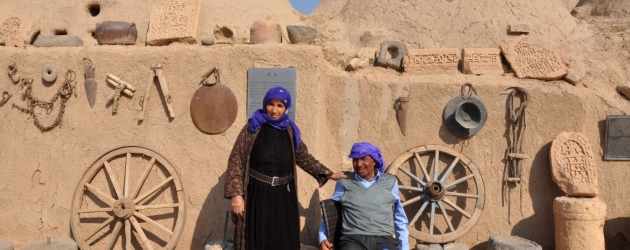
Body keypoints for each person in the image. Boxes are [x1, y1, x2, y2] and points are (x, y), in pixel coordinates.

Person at [225, 86, 346, 250]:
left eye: (280, 105)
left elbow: (303, 157)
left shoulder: (290, 131)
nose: (274, 110)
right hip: (256, 194)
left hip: (283, 196)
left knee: (282, 241)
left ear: (286, 107)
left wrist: (329, 173)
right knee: (256, 240)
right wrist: (236, 194)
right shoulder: (252, 128)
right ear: (265, 104)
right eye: (271, 104)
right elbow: (236, 159)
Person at [319, 142, 409, 250]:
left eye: (364, 159)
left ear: (374, 161)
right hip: (353, 240)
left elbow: (399, 217)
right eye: (355, 160)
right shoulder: (344, 182)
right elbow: (330, 211)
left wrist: (404, 247)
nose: (358, 164)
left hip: (384, 240)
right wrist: (322, 237)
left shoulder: (390, 182)